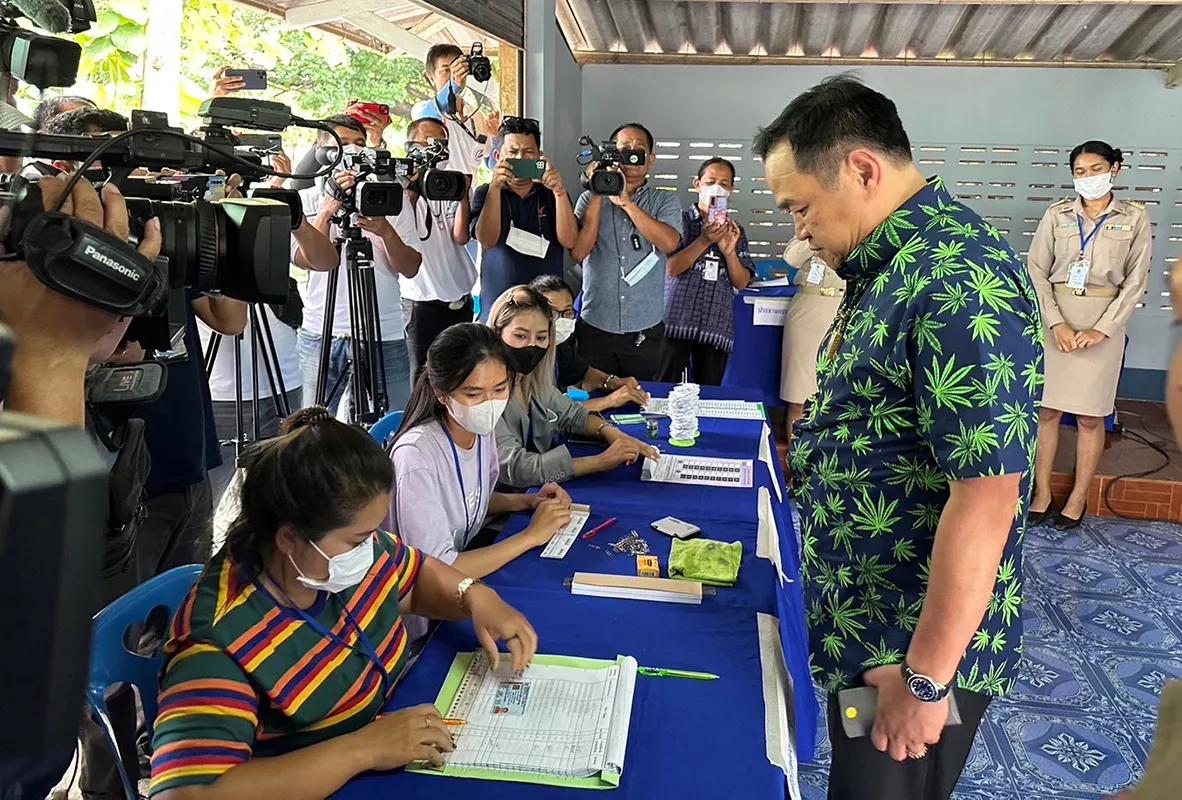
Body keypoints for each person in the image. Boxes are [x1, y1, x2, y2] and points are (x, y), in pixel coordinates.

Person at [756, 75, 1041, 800]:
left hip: (909, 653)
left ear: (861, 170)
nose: (800, 231)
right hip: (870, 625)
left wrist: (924, 678)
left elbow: (987, 497)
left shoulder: (959, 278)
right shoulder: (889, 267)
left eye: (802, 208)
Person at [147, 408, 537, 798]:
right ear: (288, 538)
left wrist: (473, 595)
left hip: (378, 741)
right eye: (357, 540)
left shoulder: (332, 558)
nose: (373, 548)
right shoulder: (218, 644)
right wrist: (362, 748)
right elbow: (186, 794)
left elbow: (415, 578)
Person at [386, 323, 573, 637]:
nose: (490, 404)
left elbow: (470, 500)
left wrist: (527, 501)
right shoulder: (416, 457)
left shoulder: (478, 429)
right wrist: (531, 535)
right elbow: (436, 571)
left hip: (454, 590)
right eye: (473, 393)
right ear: (441, 394)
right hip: (418, 620)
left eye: (500, 390)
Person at [1026, 141, 1152, 530]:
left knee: (1090, 418)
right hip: (1057, 321)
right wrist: (1056, 324)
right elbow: (1036, 270)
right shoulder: (1057, 215)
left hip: (1103, 323)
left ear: (1114, 169)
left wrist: (1102, 330)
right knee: (1046, 412)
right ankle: (1041, 492)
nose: (1088, 178)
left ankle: (1078, 498)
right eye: (1080, 172)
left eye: (1095, 169)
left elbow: (1135, 281)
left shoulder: (1134, 218)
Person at [296, 114, 421, 419]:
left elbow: (411, 267)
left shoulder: (391, 199)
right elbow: (306, 261)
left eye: (359, 145)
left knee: (392, 426)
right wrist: (326, 211)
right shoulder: (305, 200)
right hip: (321, 330)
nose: (350, 152)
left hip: (383, 331)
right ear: (319, 149)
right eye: (341, 144)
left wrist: (385, 231)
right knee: (311, 429)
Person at [487, 286, 659, 487]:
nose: (531, 346)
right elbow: (520, 469)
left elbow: (573, 415)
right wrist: (599, 462)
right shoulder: (486, 394)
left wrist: (612, 433)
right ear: (497, 334)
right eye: (520, 336)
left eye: (541, 338)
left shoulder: (534, 381)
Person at [570, 122, 682, 381]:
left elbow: (669, 243)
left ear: (651, 160)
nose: (631, 154)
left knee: (641, 403)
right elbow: (578, 252)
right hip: (596, 324)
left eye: (639, 149)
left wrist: (627, 203)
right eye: (624, 149)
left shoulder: (664, 200)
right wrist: (597, 190)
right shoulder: (588, 198)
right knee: (594, 401)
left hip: (644, 328)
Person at [657, 157, 754, 385]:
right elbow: (670, 269)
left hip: (715, 326)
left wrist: (729, 251)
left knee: (708, 392)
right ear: (697, 184)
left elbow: (741, 282)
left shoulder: (735, 230)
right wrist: (703, 240)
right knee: (663, 386)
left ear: (731, 189)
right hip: (675, 322)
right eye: (711, 181)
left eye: (724, 183)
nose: (717, 188)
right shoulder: (678, 220)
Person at [393, 117, 477, 376]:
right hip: (421, 302)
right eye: (428, 143)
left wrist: (463, 195)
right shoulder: (397, 184)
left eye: (441, 143)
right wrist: (412, 187)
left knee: (458, 372)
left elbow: (461, 236)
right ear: (410, 146)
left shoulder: (448, 181)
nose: (435, 150)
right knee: (421, 376)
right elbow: (400, 229)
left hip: (459, 298)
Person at [472, 115, 576, 320]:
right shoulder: (485, 193)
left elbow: (570, 240)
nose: (520, 157)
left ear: (540, 157)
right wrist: (495, 188)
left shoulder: (551, 194)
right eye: (512, 152)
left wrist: (560, 192)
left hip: (547, 308)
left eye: (528, 152)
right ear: (497, 156)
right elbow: (487, 239)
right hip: (499, 307)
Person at [528, 274, 650, 413]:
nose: (560, 320)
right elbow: (549, 413)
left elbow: (583, 372)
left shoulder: (559, 346)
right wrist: (610, 401)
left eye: (567, 312)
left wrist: (612, 382)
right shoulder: (527, 357)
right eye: (552, 313)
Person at [780, 239, 845, 436]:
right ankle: (796, 460)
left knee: (838, 394)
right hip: (808, 306)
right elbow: (792, 258)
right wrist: (817, 232)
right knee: (798, 394)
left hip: (844, 305)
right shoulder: (810, 224)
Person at [411, 43, 495, 179]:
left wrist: (497, 137)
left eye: (458, 69)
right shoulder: (423, 110)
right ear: (431, 77)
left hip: (467, 197)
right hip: (436, 195)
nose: (454, 75)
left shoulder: (477, 115)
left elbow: (489, 159)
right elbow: (428, 118)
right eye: (446, 71)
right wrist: (454, 85)